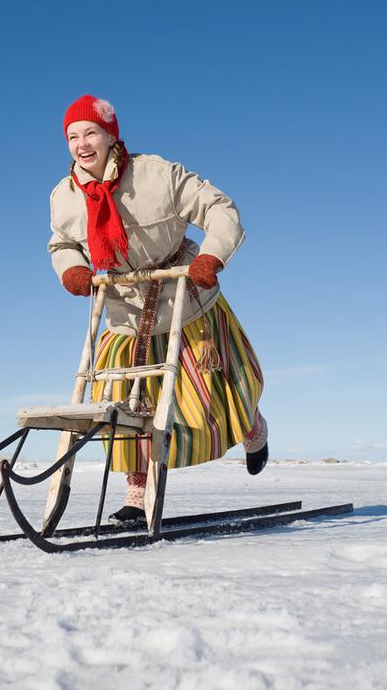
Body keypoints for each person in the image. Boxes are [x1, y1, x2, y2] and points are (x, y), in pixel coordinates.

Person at [48, 94, 268, 525]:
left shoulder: (156, 174)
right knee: (124, 408)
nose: (81, 144)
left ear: (111, 136)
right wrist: (72, 269)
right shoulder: (65, 195)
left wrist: (212, 256)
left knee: (213, 398)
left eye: (90, 132)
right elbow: (62, 243)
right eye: (72, 137)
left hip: (185, 302)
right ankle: (136, 493)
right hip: (122, 313)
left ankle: (252, 430)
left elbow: (219, 208)